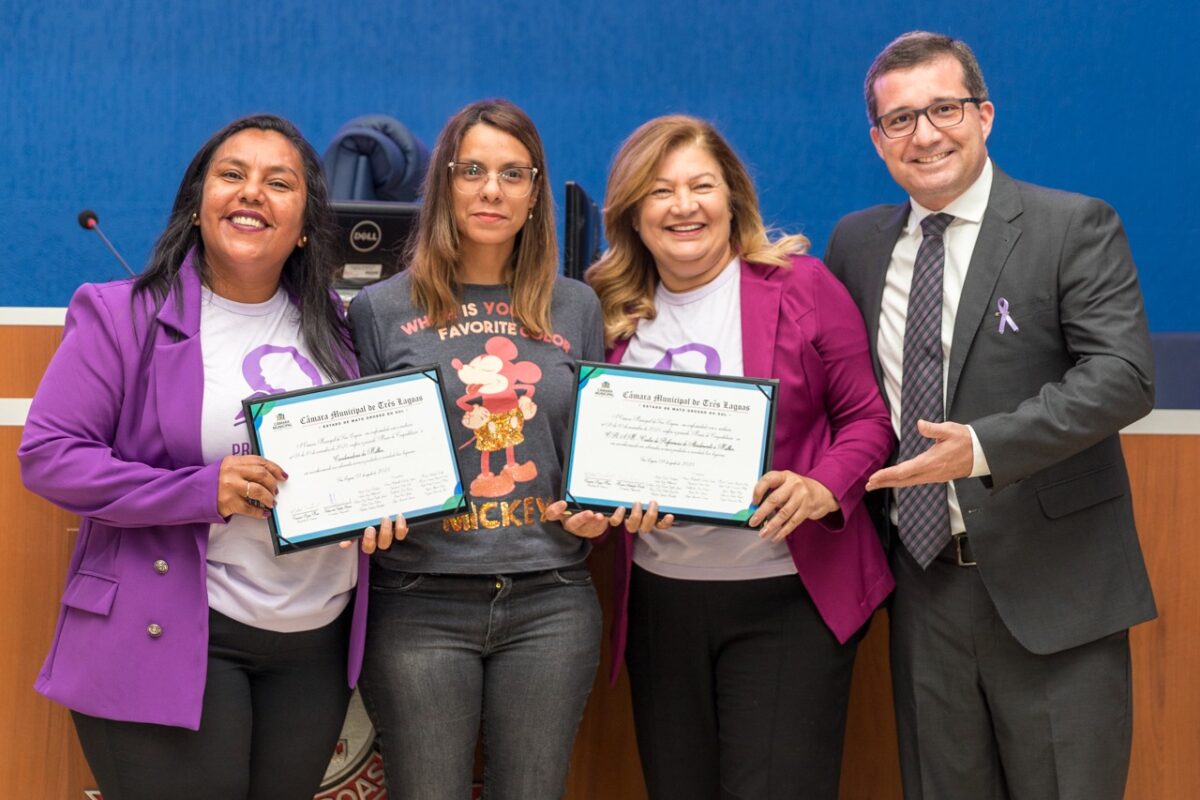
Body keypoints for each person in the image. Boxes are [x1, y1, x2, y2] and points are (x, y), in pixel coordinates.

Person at [18, 114, 400, 799]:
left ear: (309, 223)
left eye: (278, 182)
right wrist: (203, 489)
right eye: (232, 175)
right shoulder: (122, 315)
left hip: (313, 648)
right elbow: (49, 456)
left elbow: (368, 460)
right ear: (198, 205)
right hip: (175, 633)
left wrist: (384, 506)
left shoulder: (344, 330)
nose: (252, 192)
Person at [823, 31, 1157, 800]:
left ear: (985, 115)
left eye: (945, 108)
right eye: (901, 119)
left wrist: (980, 447)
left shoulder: (1070, 226)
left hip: (1055, 592)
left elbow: (1123, 376)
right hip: (923, 592)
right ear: (878, 141)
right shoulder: (857, 244)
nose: (926, 133)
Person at [583, 114, 895, 799]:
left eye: (702, 185)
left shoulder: (802, 287)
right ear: (633, 212)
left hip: (787, 598)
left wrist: (820, 487)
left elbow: (869, 420)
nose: (685, 205)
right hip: (663, 606)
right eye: (661, 190)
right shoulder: (603, 308)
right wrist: (605, 507)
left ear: (733, 198)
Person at [347, 98, 606, 799]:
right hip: (418, 602)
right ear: (444, 186)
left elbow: (592, 459)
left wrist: (596, 511)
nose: (492, 189)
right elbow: (360, 454)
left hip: (551, 599)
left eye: (513, 174)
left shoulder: (577, 306)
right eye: (473, 170)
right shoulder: (379, 310)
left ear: (533, 194)